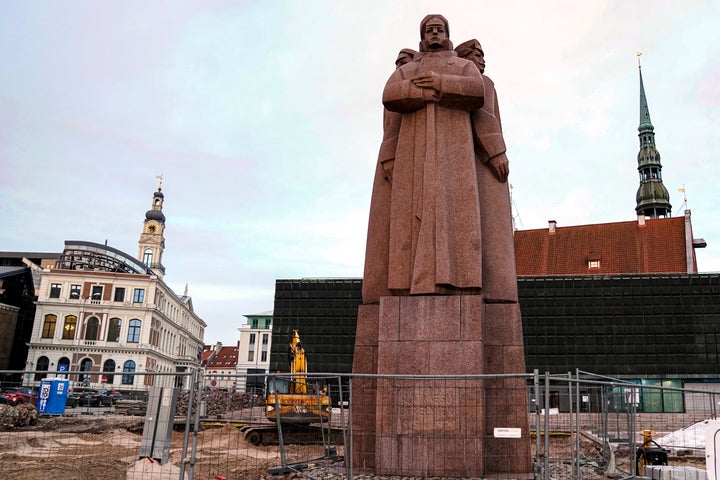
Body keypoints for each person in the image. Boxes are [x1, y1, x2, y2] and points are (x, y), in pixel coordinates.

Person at [363, 14, 485, 303]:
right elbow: (389, 95)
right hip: (412, 152)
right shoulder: (410, 68)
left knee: (455, 212)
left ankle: (459, 280)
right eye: (429, 30)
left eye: (439, 29)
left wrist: (440, 82)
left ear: (447, 34)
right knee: (410, 217)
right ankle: (410, 282)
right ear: (422, 36)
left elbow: (477, 91)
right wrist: (421, 90)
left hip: (454, 154)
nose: (434, 34)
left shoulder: (463, 65)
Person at [455, 39, 518, 302]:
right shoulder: (482, 83)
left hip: (467, 161)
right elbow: (484, 117)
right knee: (490, 228)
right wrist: (497, 152)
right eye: (477, 55)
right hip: (481, 162)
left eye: (482, 56)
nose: (482, 60)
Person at [362, 48, 417, 303]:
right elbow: (390, 129)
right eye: (398, 64)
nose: (400, 70)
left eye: (405, 63)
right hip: (395, 156)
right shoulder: (398, 92)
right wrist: (388, 157)